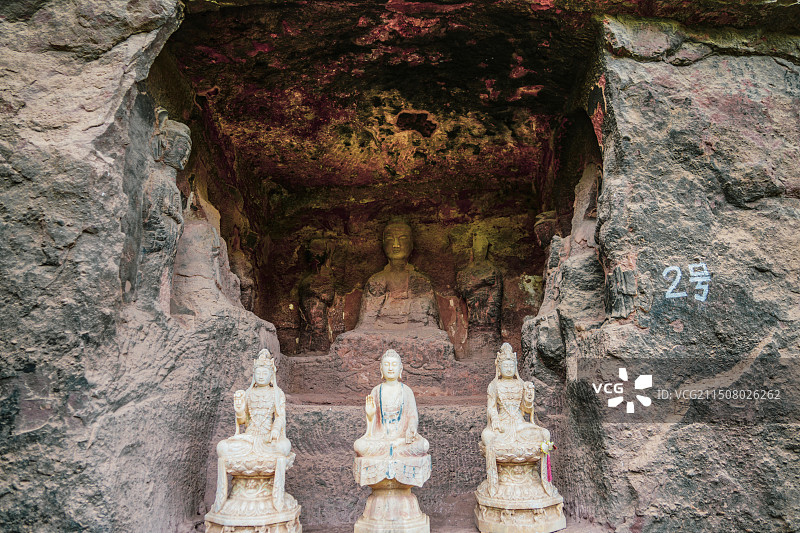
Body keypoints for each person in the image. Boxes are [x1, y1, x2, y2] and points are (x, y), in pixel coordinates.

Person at [481, 343, 550, 488]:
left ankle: (542, 483)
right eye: (505, 366)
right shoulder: (494, 385)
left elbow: (525, 410)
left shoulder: (522, 384)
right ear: (499, 367)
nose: (508, 368)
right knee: (488, 438)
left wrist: (529, 399)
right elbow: (491, 408)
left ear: (515, 367)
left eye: (511, 366)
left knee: (545, 434)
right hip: (502, 425)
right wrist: (496, 422)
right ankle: (496, 484)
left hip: (520, 424)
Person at [357, 219, 440, 330]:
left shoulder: (420, 281)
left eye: (403, 239)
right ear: (383, 244)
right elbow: (366, 323)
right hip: (380, 331)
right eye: (390, 239)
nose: (396, 245)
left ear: (411, 244)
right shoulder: (376, 280)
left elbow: (430, 324)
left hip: (415, 330)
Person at [353, 349, 429, 458]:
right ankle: (392, 449)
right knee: (359, 446)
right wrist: (370, 415)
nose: (390, 368)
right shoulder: (376, 391)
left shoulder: (406, 391)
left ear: (400, 368)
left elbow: (412, 416)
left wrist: (411, 429)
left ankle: (393, 448)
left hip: (401, 441)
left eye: (394, 365)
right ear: (381, 369)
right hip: (381, 439)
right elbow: (371, 431)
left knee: (423, 445)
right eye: (386, 365)